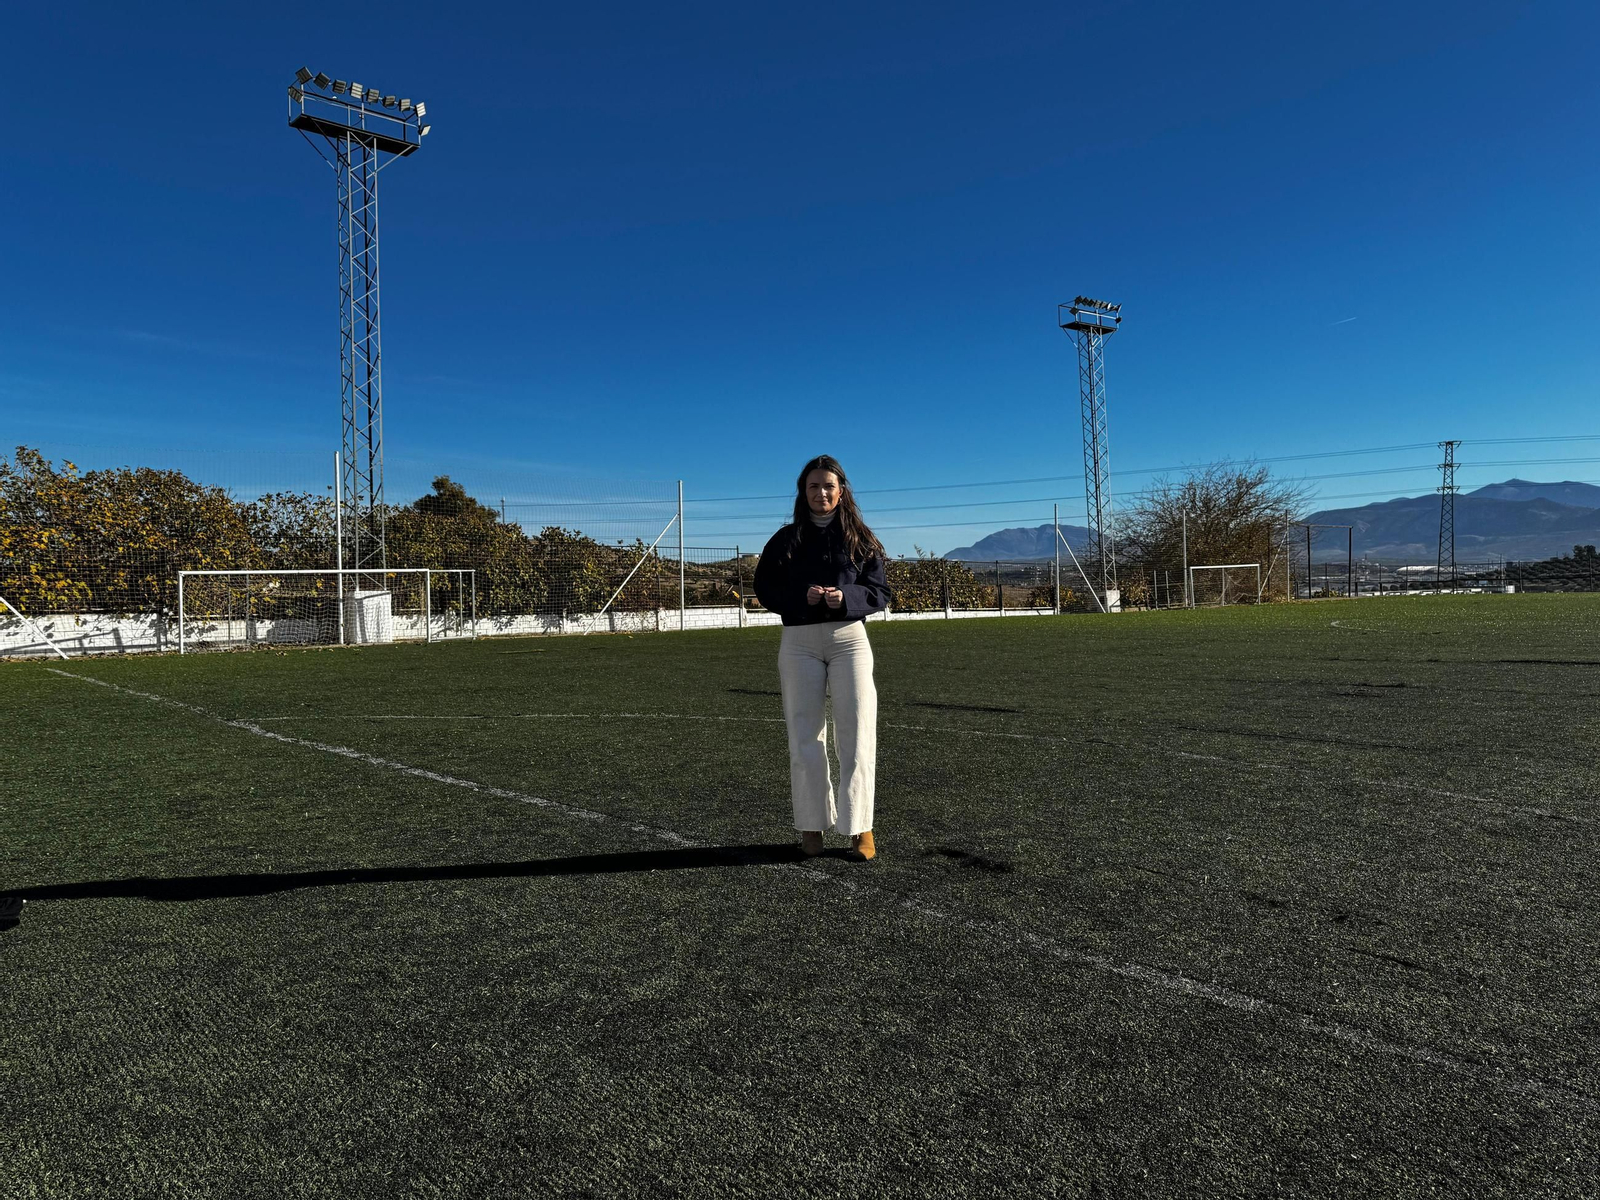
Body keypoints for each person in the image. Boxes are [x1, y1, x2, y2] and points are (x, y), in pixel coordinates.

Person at [753, 455, 891, 861]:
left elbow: (879, 591)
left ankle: (860, 827)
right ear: (804, 492)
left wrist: (846, 597)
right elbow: (765, 587)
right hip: (799, 642)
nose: (821, 493)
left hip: (849, 640)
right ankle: (811, 825)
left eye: (828, 486)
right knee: (805, 735)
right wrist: (802, 596)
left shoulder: (861, 538)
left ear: (841, 491)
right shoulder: (785, 539)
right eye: (813, 486)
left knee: (857, 732)